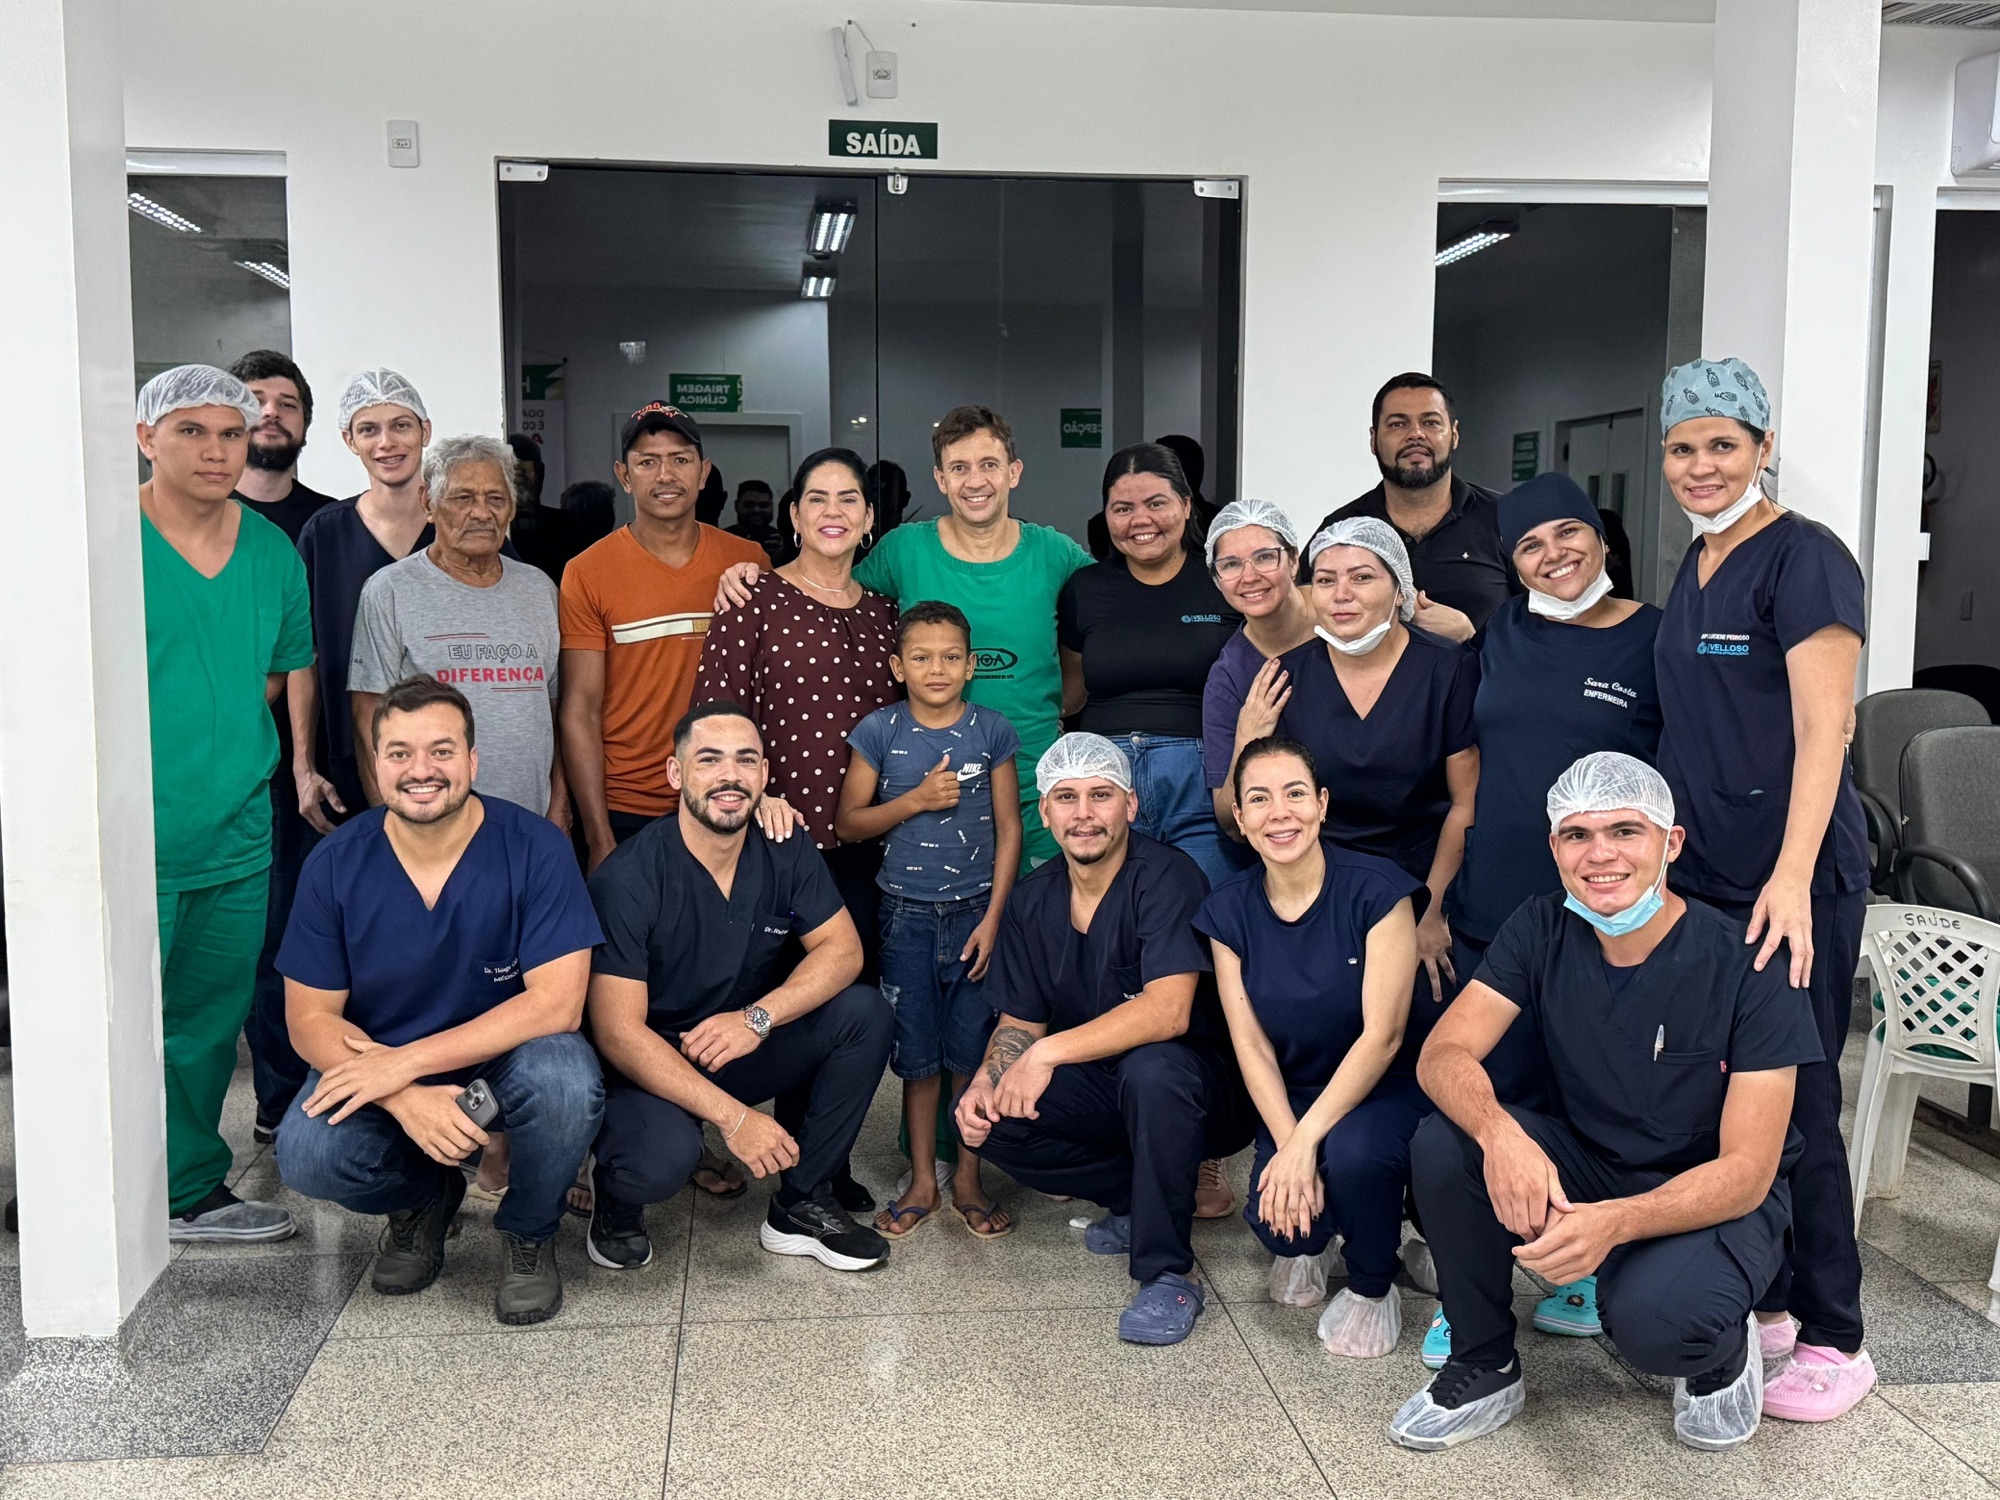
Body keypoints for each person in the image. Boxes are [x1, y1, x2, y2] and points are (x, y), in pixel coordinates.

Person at [1389, 754, 1819, 1453]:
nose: (1600, 855)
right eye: (1577, 835)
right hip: (1594, 1160)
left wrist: (1614, 1224)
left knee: (1658, 1325)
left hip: (1711, 1192)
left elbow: (1746, 1170)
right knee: (1446, 1143)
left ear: (1671, 843)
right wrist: (1500, 1134)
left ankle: (1719, 1353)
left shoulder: (1747, 962)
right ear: (1554, 847)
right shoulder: (1541, 928)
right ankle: (1484, 1360)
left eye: (1625, 831)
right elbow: (1443, 1054)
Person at [1653, 356, 1875, 1420]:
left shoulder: (1806, 558)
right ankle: (1774, 1298)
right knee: (1732, 1096)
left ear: (1762, 447)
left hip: (1793, 880)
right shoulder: (1694, 565)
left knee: (1801, 1097)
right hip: (1707, 874)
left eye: (1721, 445)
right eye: (1681, 448)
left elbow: (1826, 730)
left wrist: (1788, 879)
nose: (1699, 465)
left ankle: (1836, 1334)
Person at [1419, 471, 1664, 1365]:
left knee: (1591, 1095)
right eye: (1530, 545)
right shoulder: (1502, 633)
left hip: (1607, 910)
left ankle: (1579, 1266)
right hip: (1500, 900)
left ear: (1601, 538)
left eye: (1569, 534)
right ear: (1512, 563)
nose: (1553, 555)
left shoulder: (1653, 638)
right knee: (1493, 1096)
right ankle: (1473, 1288)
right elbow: (1470, 761)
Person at [273, 677, 604, 1325]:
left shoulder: (535, 848)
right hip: (383, 1067)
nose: (420, 770)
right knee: (309, 1153)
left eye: (442, 751)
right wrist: (403, 1093)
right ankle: (424, 1198)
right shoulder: (335, 864)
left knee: (567, 1078)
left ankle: (529, 1232)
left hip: (501, 1070)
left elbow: (558, 1005)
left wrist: (406, 1064)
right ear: (376, 764)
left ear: (473, 760)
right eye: (400, 753)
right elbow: (309, 1018)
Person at [957, 734, 1253, 1347]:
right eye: (1066, 797)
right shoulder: (1034, 899)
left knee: (1153, 1070)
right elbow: (1020, 1021)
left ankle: (1168, 1271)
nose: (1084, 814)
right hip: (1104, 1085)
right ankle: (1141, 1202)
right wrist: (988, 1080)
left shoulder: (1168, 877)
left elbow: (1169, 1012)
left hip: (1199, 1090)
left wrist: (1046, 1053)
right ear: (1045, 811)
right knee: (993, 1118)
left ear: (1131, 806)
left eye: (1101, 795)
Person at [584, 704, 895, 1275]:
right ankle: (616, 1203)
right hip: (648, 1066)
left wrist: (758, 1018)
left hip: (737, 1044)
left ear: (765, 774)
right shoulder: (629, 877)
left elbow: (843, 951)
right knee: (659, 1160)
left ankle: (802, 1203)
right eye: (709, 760)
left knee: (863, 1013)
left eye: (745, 760)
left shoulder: (783, 845)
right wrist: (735, 1120)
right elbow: (617, 1033)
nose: (730, 776)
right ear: (676, 773)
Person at [719, 406, 1092, 870]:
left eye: (989, 464)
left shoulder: (1056, 554)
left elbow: (1109, 615)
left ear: (1014, 472)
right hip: (930, 794)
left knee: (1039, 914)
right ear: (940, 479)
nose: (975, 481)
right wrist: (758, 578)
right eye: (959, 467)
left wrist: (1065, 702)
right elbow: (826, 591)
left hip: (1037, 792)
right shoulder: (903, 550)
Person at [135, 364, 313, 1244]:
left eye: (232, 434)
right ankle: (87, 1186)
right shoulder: (106, 542)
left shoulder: (272, 552)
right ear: (146, 439)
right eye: (192, 432)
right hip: (128, 836)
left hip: (236, 832)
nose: (216, 451)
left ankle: (188, 1187)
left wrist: (222, 743)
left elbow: (277, 675)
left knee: (207, 1023)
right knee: (109, 1024)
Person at [1197, 737, 1430, 1356]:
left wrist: (1303, 1146)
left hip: (1384, 1087)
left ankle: (1376, 1280)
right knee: (1281, 1225)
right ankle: (1324, 1236)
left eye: (1295, 793)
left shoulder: (1378, 891)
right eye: (1259, 799)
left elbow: (1383, 1037)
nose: (1280, 813)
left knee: (1353, 1158)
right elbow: (1251, 1045)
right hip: (1294, 1090)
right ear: (1239, 817)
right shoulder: (1227, 911)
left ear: (1322, 804)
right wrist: (1288, 1145)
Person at [836, 601, 1023, 1241]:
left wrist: (995, 919)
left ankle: (968, 1179)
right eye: (921, 657)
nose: (936, 668)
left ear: (970, 667)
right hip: (905, 918)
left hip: (976, 915)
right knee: (917, 1060)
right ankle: (923, 1181)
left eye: (950, 657)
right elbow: (849, 823)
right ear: (898, 666)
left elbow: (1010, 829)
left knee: (971, 1054)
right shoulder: (878, 731)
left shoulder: (991, 730)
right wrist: (914, 801)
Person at [1275, 517, 1478, 1040]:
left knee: (1426, 1018)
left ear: (1401, 590)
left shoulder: (1448, 668)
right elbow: (1274, 810)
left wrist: (1432, 912)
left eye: (1362, 577)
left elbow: (1465, 803)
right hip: (1322, 885)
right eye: (1325, 579)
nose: (1342, 594)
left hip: (1422, 880)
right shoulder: (1288, 675)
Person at [693, 449, 899, 927]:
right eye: (817, 499)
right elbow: (711, 718)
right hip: (773, 839)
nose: (833, 512)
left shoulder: (887, 614)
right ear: (795, 516)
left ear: (869, 517)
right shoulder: (751, 600)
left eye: (848, 499)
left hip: (872, 848)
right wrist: (754, 796)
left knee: (860, 973)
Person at [559, 403, 767, 871]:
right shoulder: (587, 572)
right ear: (624, 475)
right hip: (627, 806)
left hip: (726, 795)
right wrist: (598, 835)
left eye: (680, 459)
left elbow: (770, 688)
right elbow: (580, 708)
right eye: (647, 461)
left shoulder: (748, 561)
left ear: (703, 472)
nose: (665, 475)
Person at [226, 348, 342, 1143]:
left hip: (326, 770)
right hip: (232, 771)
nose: (271, 412)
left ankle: (334, 1087)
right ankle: (277, 1101)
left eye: (287, 402)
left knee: (321, 936)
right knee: (259, 943)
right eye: (255, 400)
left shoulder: (331, 524)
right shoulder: (195, 520)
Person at [349, 435, 565, 822]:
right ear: (428, 504)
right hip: (430, 824)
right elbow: (368, 717)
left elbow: (555, 712)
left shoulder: (540, 590)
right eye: (463, 498)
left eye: (495, 498)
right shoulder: (390, 591)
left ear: (512, 507)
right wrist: (390, 822)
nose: (481, 513)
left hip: (530, 823)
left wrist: (560, 807)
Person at [1059, 444, 1242, 890]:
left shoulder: (1224, 582)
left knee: (1206, 911)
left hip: (1203, 783)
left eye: (1156, 503)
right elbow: (1070, 694)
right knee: (1112, 918)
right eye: (1123, 508)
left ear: (1187, 505)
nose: (1140, 520)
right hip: (1104, 785)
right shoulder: (1085, 589)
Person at [296, 369, 436, 819]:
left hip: (449, 759)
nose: (386, 443)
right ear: (349, 440)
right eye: (369, 430)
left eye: (401, 425)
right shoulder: (325, 534)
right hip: (349, 766)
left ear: (425, 431)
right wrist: (304, 765)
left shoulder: (459, 528)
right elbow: (302, 656)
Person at [1312, 374, 1518, 642]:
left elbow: (1546, 629)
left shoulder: (1506, 518)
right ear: (1373, 439)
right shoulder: (1342, 527)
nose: (1416, 434)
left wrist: (1472, 636)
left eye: (1431, 422)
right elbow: (1302, 619)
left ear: (1454, 434)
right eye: (1398, 424)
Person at [1199, 499, 1318, 850]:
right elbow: (1227, 818)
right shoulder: (1230, 678)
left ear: (1294, 560)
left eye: (1265, 557)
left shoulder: (1344, 611)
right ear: (1217, 580)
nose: (1249, 576)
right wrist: (1246, 740)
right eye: (1231, 565)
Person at [725, 479, 782, 563]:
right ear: (736, 505)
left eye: (764, 505)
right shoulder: (723, 540)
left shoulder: (782, 541)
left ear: (772, 506)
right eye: (749, 505)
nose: (756, 510)